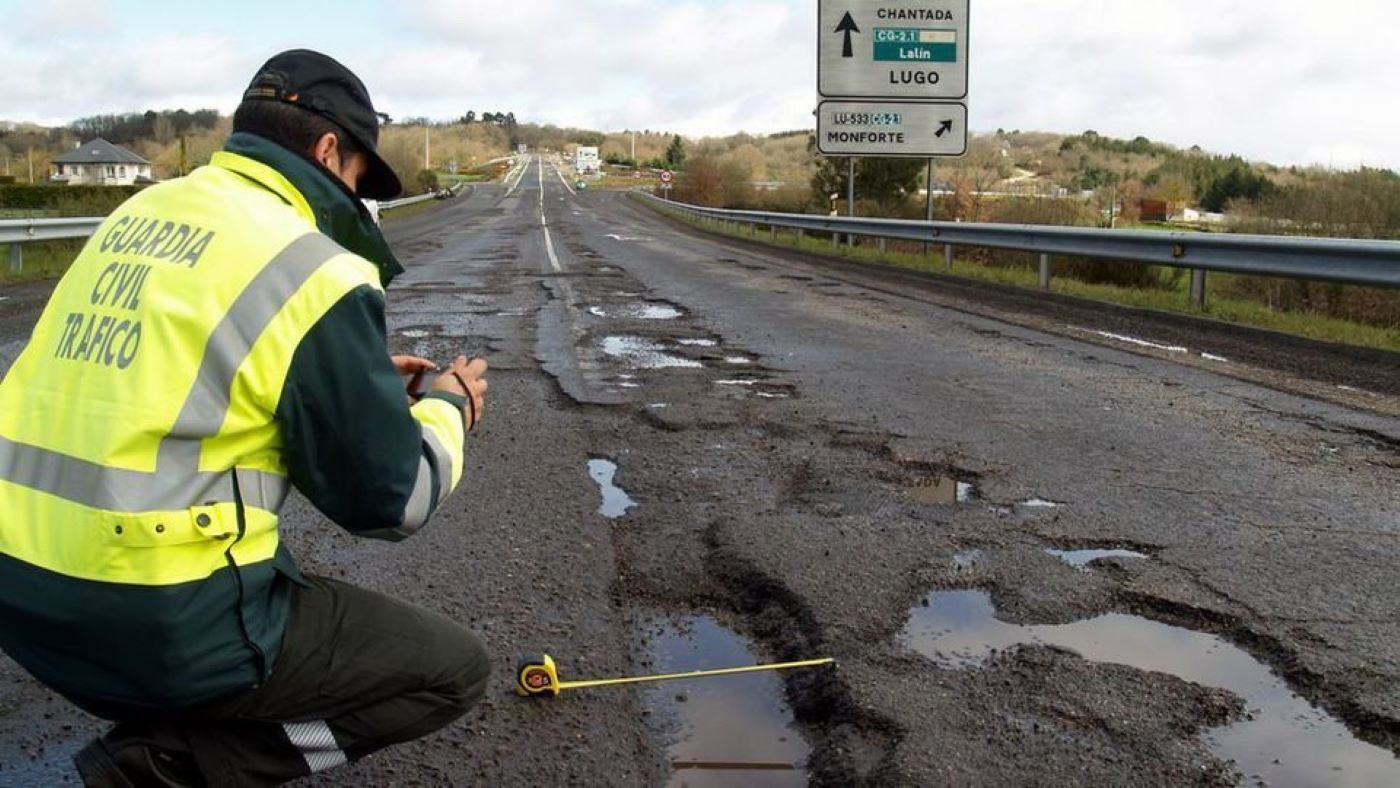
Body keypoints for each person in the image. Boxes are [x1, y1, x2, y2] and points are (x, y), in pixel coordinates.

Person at [0, 50, 491, 787]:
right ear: (330, 150)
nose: (355, 197)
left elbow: (162, 363)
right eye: (358, 176)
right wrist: (451, 407)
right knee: (451, 672)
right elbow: (392, 502)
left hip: (22, 599)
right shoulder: (312, 267)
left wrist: (343, 383)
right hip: (155, 619)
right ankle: (174, 764)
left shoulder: (141, 213)